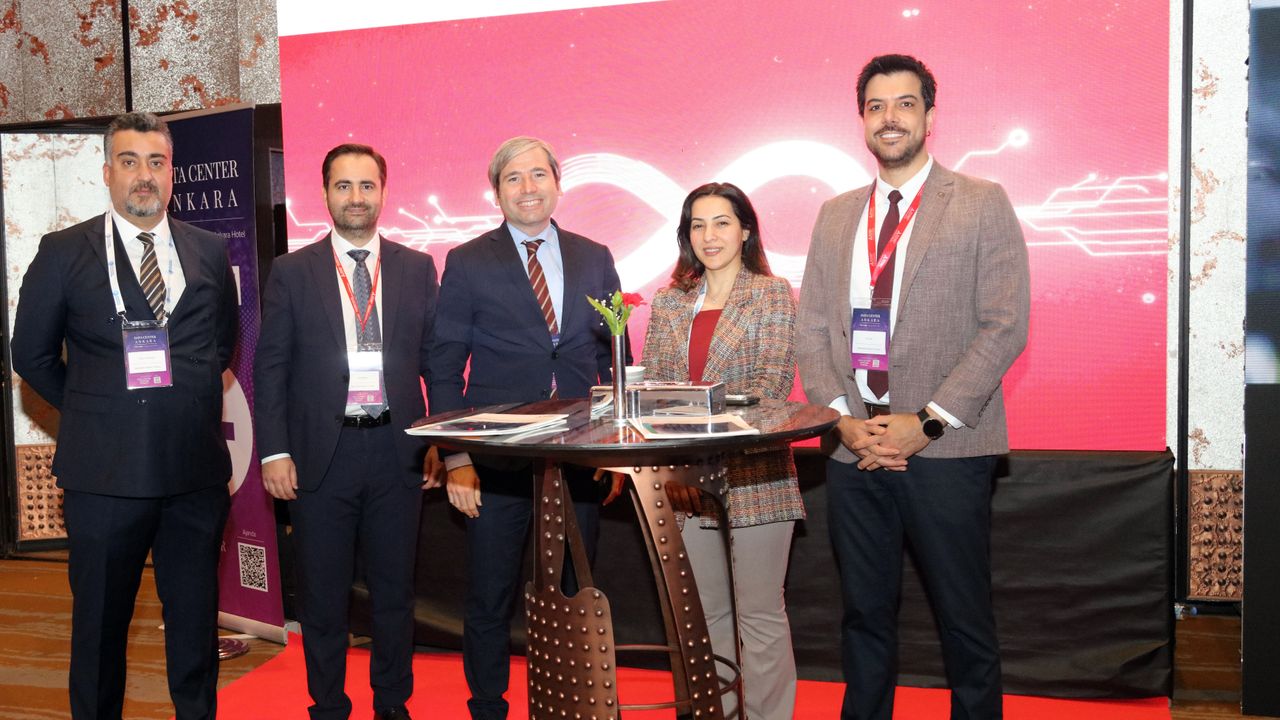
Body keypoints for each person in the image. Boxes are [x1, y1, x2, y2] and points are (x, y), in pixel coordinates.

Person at [796, 54, 1030, 720]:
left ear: (929, 115)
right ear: (862, 121)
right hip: (853, 449)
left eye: (904, 104)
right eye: (875, 106)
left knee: (964, 619)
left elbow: (1004, 326)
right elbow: (812, 328)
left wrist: (925, 422)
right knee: (863, 617)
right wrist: (841, 420)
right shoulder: (836, 214)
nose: (889, 118)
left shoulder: (981, 201)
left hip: (946, 450)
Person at [10, 111, 238, 720]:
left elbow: (221, 343)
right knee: (100, 629)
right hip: (104, 477)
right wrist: (93, 409)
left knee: (195, 625)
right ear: (108, 172)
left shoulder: (209, 250)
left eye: (157, 163)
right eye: (130, 162)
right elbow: (30, 354)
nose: (145, 176)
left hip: (193, 476)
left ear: (172, 172)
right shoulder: (64, 251)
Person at [427, 136, 622, 720]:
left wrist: (614, 448)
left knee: (578, 594)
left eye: (539, 175)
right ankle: (488, 706)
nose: (528, 188)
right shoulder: (466, 261)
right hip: (496, 463)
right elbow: (444, 367)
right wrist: (457, 457)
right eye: (513, 178)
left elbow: (614, 358)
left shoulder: (595, 256)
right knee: (490, 597)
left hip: (581, 458)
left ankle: (576, 706)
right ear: (497, 192)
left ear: (558, 184)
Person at [254, 143, 441, 720]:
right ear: (325, 193)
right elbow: (271, 367)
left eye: (366, 185)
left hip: (397, 453)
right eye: (343, 186)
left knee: (394, 594)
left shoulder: (416, 268)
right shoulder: (292, 271)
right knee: (323, 597)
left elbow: (435, 363)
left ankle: (393, 704)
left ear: (383, 192)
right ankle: (329, 706)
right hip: (319, 457)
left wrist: (441, 441)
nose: (355, 197)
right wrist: (274, 451)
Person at [639, 182, 803, 719]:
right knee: (705, 617)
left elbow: (771, 388)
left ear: (745, 230)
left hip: (757, 472)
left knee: (760, 614)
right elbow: (656, 391)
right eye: (698, 225)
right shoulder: (669, 303)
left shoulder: (771, 293)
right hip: (684, 481)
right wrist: (682, 461)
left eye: (722, 222)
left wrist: (693, 414)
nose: (709, 236)